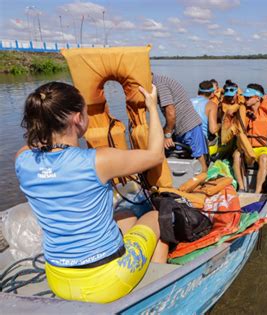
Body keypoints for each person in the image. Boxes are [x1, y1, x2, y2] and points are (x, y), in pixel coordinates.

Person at [15, 81, 168, 303]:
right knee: (155, 217)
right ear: (78, 119)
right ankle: (153, 297)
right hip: (106, 281)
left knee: (125, 216)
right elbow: (155, 155)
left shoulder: (22, 159)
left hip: (58, 279)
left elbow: (42, 149)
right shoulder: (98, 160)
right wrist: (152, 107)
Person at [153, 74, 208, 172]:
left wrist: (168, 135)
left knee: (199, 160)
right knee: (183, 160)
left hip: (190, 126)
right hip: (179, 128)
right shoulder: (157, 82)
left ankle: (202, 182)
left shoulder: (159, 84)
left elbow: (171, 112)